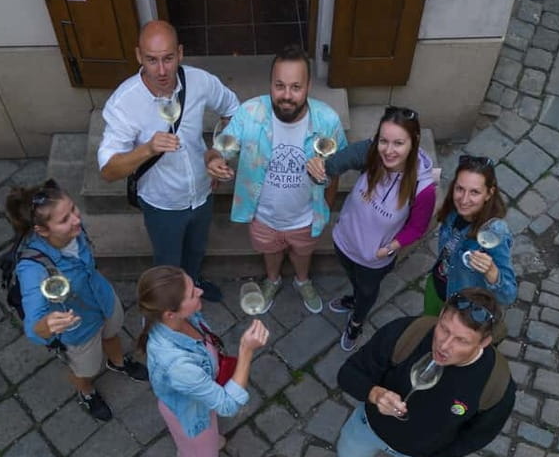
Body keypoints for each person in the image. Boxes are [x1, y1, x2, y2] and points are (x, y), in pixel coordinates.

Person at [305, 288, 515, 457]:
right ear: (441, 313)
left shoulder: (496, 384)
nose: (444, 346)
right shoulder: (408, 333)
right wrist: (375, 394)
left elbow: (478, 436)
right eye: (444, 329)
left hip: (418, 454)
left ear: (484, 342)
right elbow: (348, 374)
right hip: (370, 426)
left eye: (461, 340)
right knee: (348, 451)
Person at [97, 20, 240, 303]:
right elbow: (108, 170)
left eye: (168, 59)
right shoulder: (123, 103)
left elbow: (234, 111)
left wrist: (218, 152)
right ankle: (172, 304)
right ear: (139, 56)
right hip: (161, 202)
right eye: (151, 60)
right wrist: (147, 149)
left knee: (197, 249)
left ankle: (193, 284)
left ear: (180, 53)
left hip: (202, 191)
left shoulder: (200, 81)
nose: (161, 71)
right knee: (167, 261)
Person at [206, 44, 347, 315]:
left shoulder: (327, 119)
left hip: (306, 216)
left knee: (302, 253)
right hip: (263, 217)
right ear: (270, 83)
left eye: (296, 87)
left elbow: (338, 166)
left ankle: (302, 280)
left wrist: (326, 206)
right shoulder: (249, 114)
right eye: (279, 85)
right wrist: (212, 160)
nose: (286, 95)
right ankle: (272, 280)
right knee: (270, 252)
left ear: (308, 87)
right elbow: (219, 149)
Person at [5, 179, 148, 421]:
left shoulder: (74, 232)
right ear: (42, 231)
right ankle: (86, 391)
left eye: (73, 208)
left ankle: (117, 361)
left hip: (103, 299)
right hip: (78, 328)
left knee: (112, 332)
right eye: (64, 219)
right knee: (86, 369)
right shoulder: (32, 268)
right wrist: (47, 324)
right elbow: (33, 327)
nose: (76, 219)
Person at [306, 106, 437, 352]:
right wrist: (318, 169)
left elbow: (418, 227)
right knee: (354, 282)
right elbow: (334, 165)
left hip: (373, 258)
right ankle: (353, 299)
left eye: (398, 143)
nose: (388, 150)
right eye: (383, 141)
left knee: (367, 291)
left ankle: (357, 321)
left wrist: (390, 248)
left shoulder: (423, 188)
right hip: (344, 241)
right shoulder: (372, 153)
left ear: (414, 142)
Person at [138, 266, 269, 457]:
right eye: (191, 294)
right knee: (202, 451)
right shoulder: (178, 365)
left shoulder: (170, 319)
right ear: (170, 313)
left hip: (194, 400)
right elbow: (227, 405)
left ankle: (189, 449)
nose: (199, 291)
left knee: (200, 441)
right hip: (192, 413)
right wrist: (246, 351)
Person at [424, 154, 517, 316]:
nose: (464, 200)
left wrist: (492, 273)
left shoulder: (495, 234)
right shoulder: (452, 212)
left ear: (489, 194)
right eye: (460, 189)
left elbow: (508, 295)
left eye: (474, 192)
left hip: (461, 307)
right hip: (436, 287)